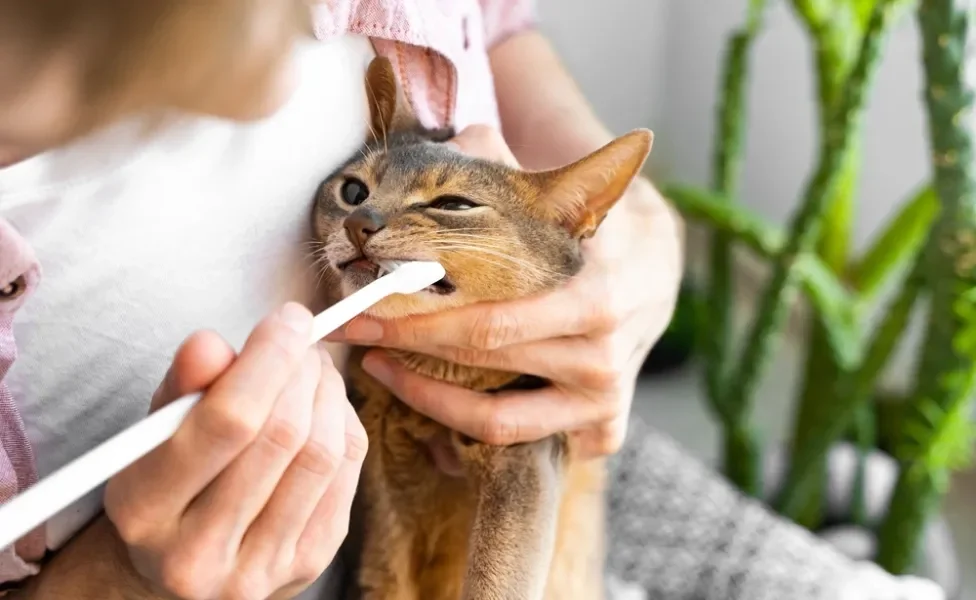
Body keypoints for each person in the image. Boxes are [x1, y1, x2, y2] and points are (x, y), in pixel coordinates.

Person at [0, 2, 948, 600]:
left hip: (571, 443)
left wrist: (623, 228)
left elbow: (493, 17)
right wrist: (121, 580)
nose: (271, 93)